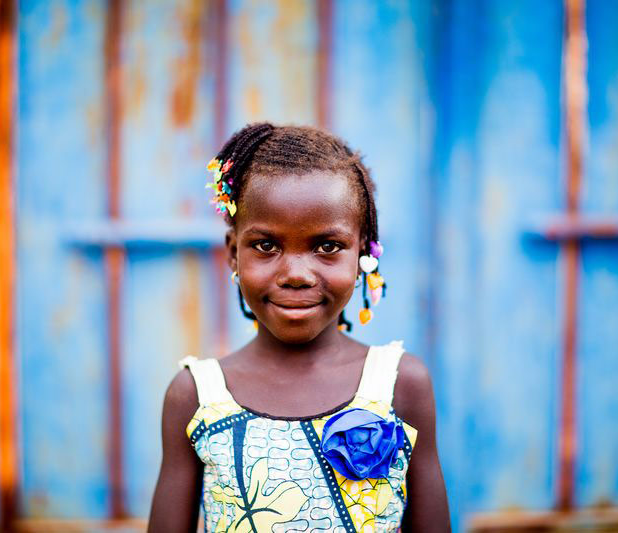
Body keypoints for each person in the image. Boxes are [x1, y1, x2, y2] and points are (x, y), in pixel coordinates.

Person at [148, 123, 450, 532]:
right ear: (233, 253)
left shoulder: (401, 384)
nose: (296, 274)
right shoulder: (195, 396)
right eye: (267, 246)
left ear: (363, 252)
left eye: (327, 246)